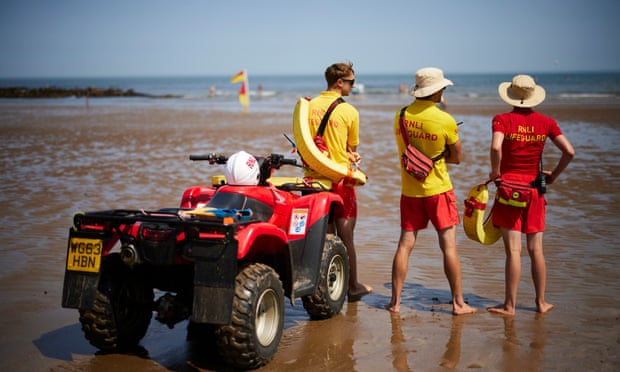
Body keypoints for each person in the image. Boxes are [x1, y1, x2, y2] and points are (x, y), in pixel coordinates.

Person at [387, 67, 476, 315]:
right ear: (436, 90)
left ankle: (395, 303)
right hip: (438, 189)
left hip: (410, 190)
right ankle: (458, 303)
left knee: (405, 244)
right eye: (442, 88)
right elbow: (457, 158)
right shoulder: (444, 120)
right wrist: (440, 155)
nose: (444, 90)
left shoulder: (400, 115)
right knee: (448, 246)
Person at [487, 74, 574, 316]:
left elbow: (496, 146)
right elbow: (569, 151)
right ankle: (541, 302)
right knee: (536, 250)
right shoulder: (546, 122)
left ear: (511, 96)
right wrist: (554, 176)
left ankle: (509, 305)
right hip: (535, 189)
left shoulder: (502, 120)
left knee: (513, 251)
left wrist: (496, 172)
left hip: (509, 191)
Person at [305, 61, 372, 300]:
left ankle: (324, 286)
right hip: (339, 181)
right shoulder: (349, 111)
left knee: (324, 238)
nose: (353, 87)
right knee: (346, 238)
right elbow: (349, 146)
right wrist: (349, 153)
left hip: (312, 182)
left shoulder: (308, 106)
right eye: (352, 82)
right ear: (340, 82)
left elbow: (309, 142)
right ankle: (352, 286)